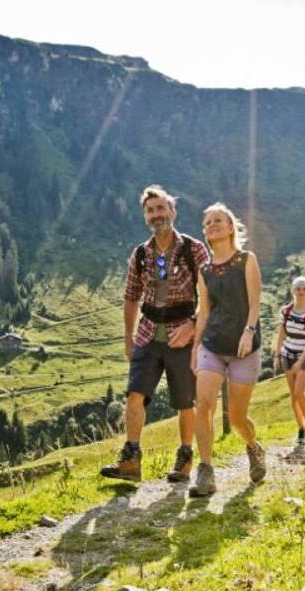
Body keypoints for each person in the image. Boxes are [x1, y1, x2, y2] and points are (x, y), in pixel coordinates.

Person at [99, 185, 209, 483]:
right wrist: (128, 335)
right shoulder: (140, 255)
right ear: (145, 216)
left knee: (185, 401)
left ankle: (185, 460)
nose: (156, 215)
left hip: (182, 336)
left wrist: (193, 326)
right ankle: (131, 461)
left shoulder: (193, 249)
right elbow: (132, 296)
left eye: (161, 209)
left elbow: (211, 295)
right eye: (151, 211)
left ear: (172, 212)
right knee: (135, 395)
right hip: (147, 335)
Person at [189, 203, 266, 497]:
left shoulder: (246, 260)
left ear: (231, 227)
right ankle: (205, 472)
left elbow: (255, 301)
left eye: (218, 220)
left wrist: (249, 331)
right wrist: (196, 346)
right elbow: (205, 311)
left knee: (236, 418)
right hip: (212, 344)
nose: (212, 225)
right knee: (204, 404)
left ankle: (253, 447)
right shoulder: (205, 270)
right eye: (207, 222)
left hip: (244, 348)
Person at [274, 276, 305, 447]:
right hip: (287, 354)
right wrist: (277, 355)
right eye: (298, 289)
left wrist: (300, 361)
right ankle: (300, 429)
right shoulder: (286, 311)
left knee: (299, 392)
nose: (301, 292)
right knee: (294, 396)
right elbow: (281, 334)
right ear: (294, 291)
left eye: (304, 289)